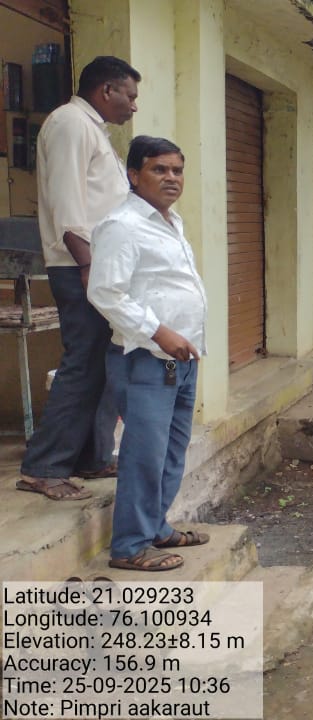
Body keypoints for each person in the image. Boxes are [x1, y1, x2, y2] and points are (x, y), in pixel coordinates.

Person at [17, 56, 140, 502]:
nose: (134, 106)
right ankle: (44, 467)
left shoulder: (92, 129)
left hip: (97, 264)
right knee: (83, 363)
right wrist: (89, 268)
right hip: (79, 265)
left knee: (104, 361)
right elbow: (67, 206)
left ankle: (92, 455)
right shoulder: (70, 123)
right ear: (106, 90)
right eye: (130, 95)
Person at [87, 136, 207, 571]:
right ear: (134, 175)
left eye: (177, 170)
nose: (171, 178)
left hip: (181, 359)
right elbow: (105, 292)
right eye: (159, 169)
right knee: (144, 456)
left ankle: (155, 526)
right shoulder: (122, 225)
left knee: (172, 452)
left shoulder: (171, 222)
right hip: (144, 359)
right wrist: (159, 332)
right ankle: (129, 546)